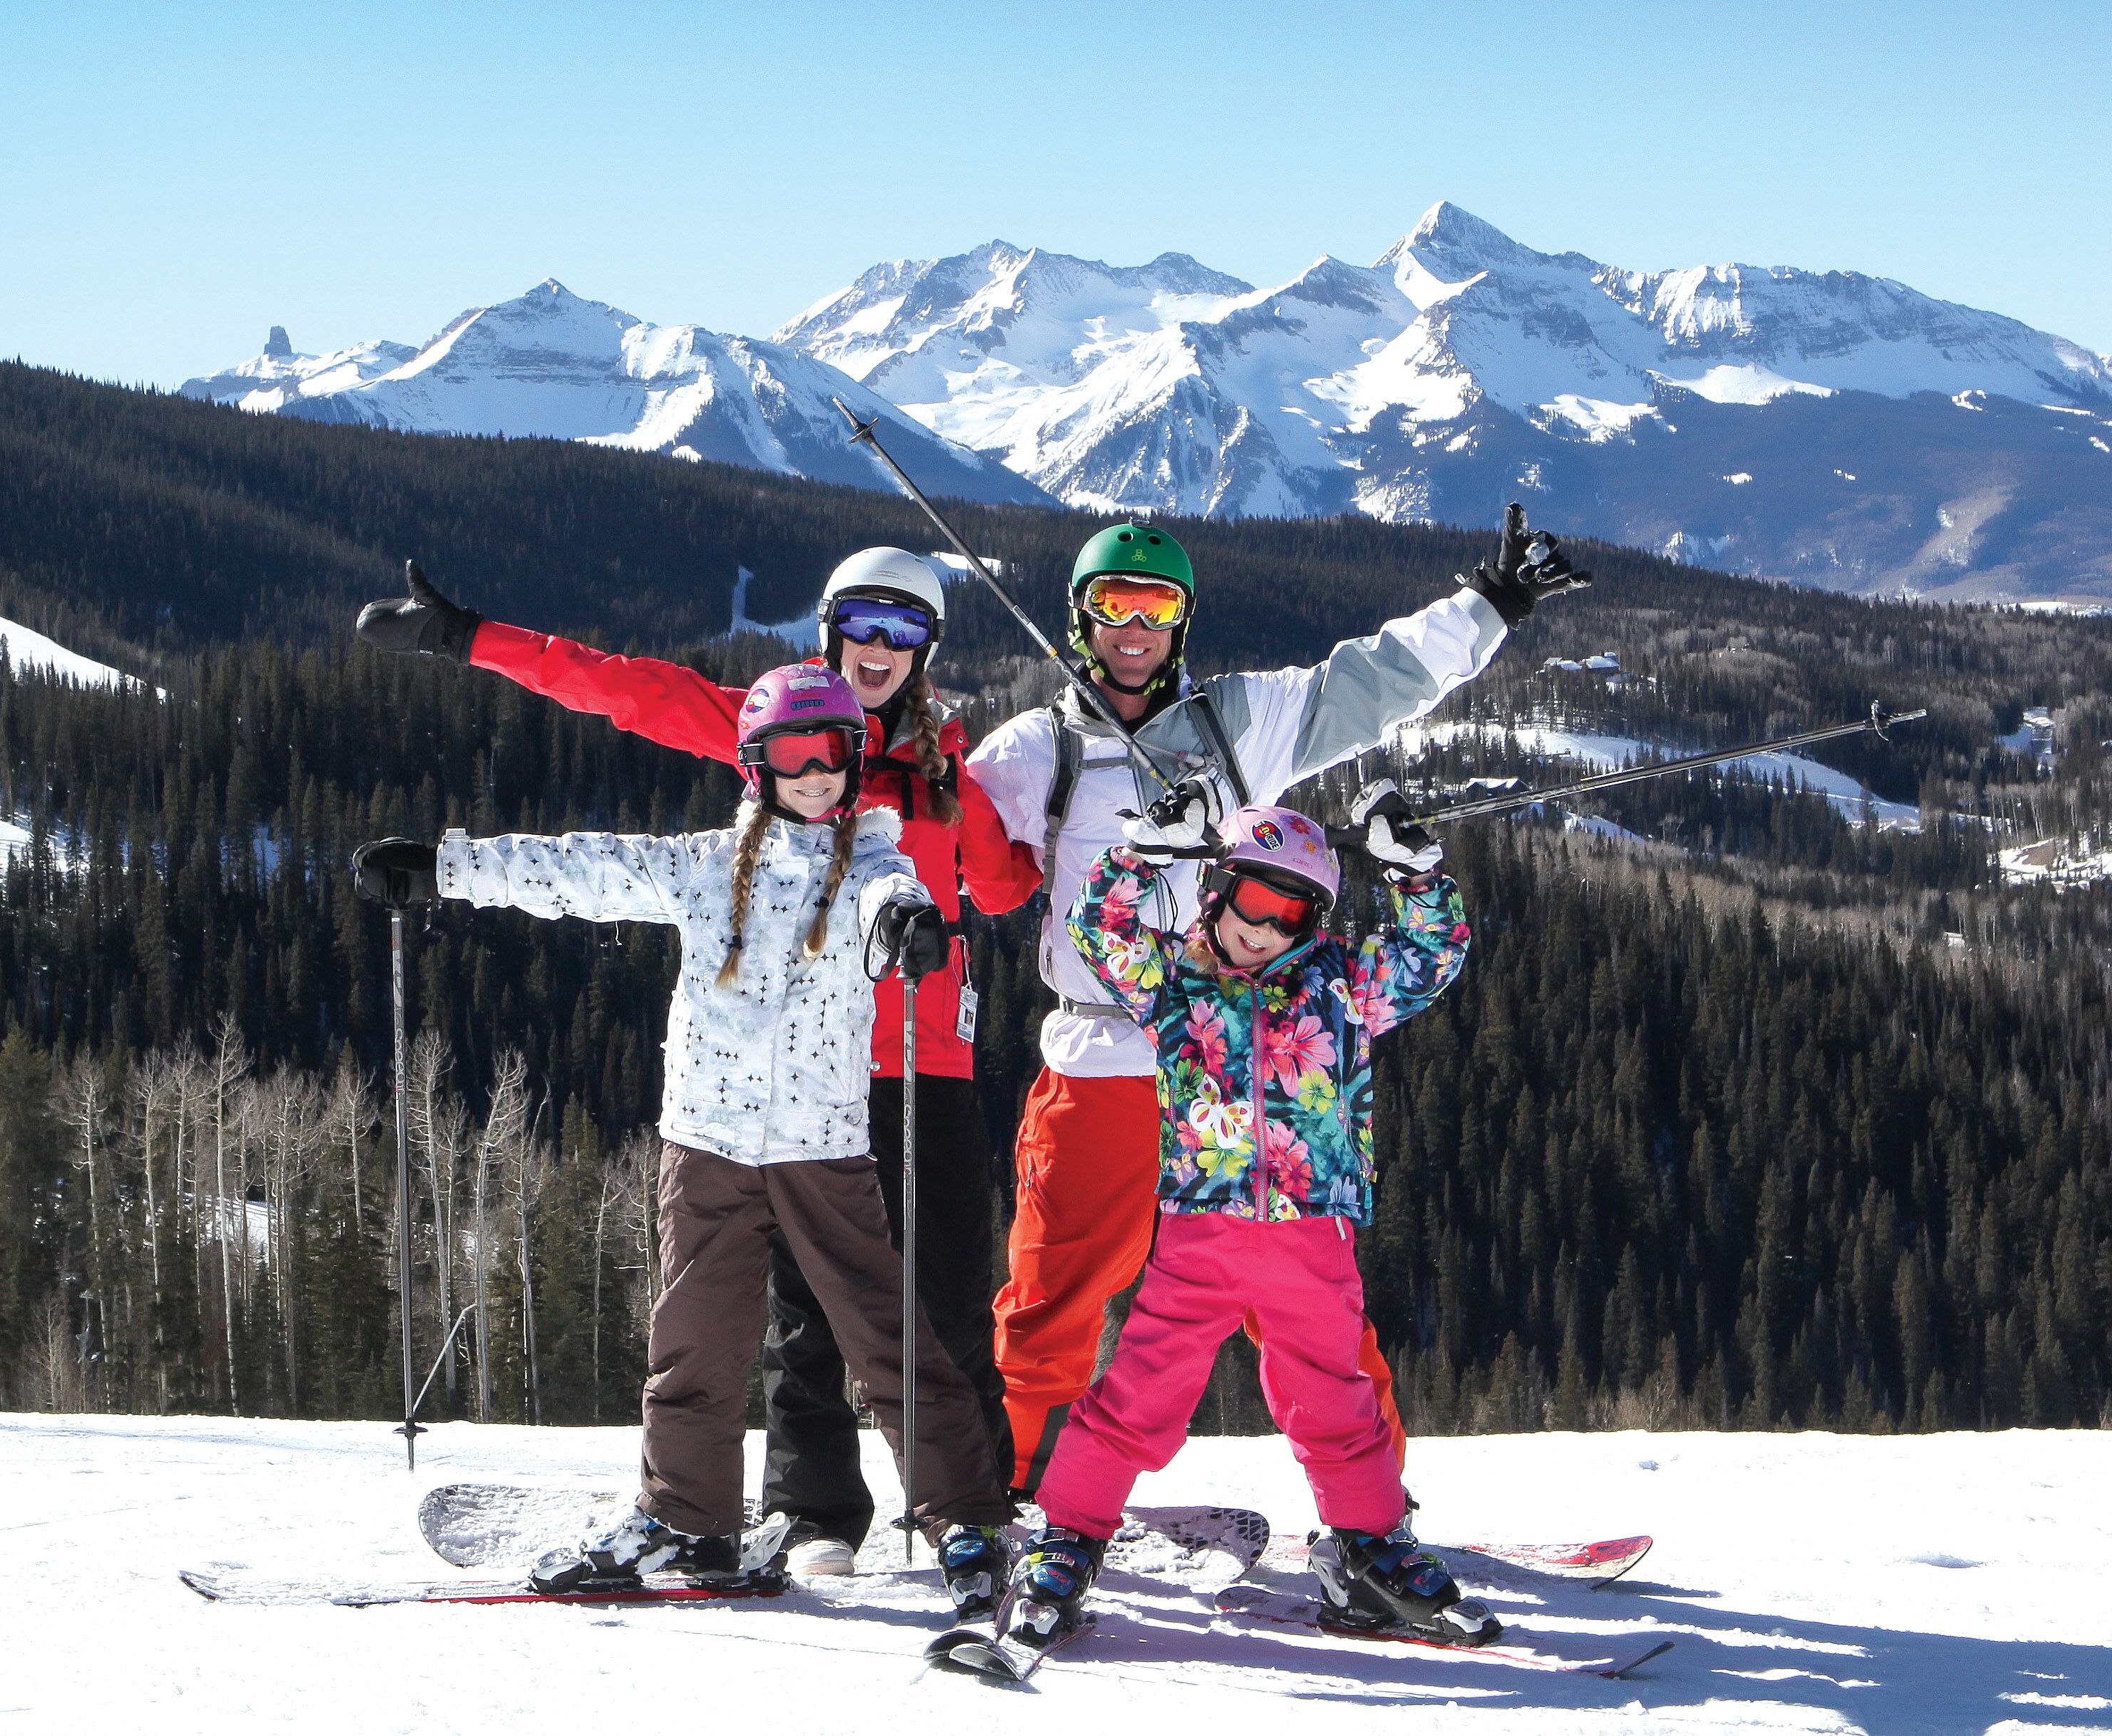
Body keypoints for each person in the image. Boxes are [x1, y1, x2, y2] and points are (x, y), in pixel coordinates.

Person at [355, 548, 1040, 1578]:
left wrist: (934, 876)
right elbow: (617, 714)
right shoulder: (744, 779)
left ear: (928, 650)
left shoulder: (930, 794)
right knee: (763, 1326)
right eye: (862, 622)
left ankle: (975, 1509)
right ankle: (793, 1517)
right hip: (749, 1116)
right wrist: (469, 646)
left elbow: (989, 885)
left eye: (903, 631)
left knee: (925, 1309)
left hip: (904, 1071)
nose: (877, 649)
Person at [963, 505, 1587, 1491]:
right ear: (1081, 618)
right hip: (1106, 1059)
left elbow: (1371, 683)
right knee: (1055, 1292)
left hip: (1235, 1070)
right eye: (1113, 603)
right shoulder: (1029, 752)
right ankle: (1024, 1487)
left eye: (1156, 604)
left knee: (1303, 1300)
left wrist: (1491, 603)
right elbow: (934, 848)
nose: (1134, 627)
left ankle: (1373, 1504)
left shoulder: (1239, 722)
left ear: (1183, 620)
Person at [993, 797, 1498, 1655]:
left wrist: (1417, 875)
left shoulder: (1342, 988)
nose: (1264, 928)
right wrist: (1139, 854)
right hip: (1201, 1235)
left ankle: (1370, 1541)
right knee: (1138, 1398)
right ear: (1215, 893)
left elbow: (1430, 953)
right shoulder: (1175, 983)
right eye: (1250, 902)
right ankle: (1069, 1535)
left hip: (1313, 1237)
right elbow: (1097, 930)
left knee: (1334, 1399)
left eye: (1290, 910)